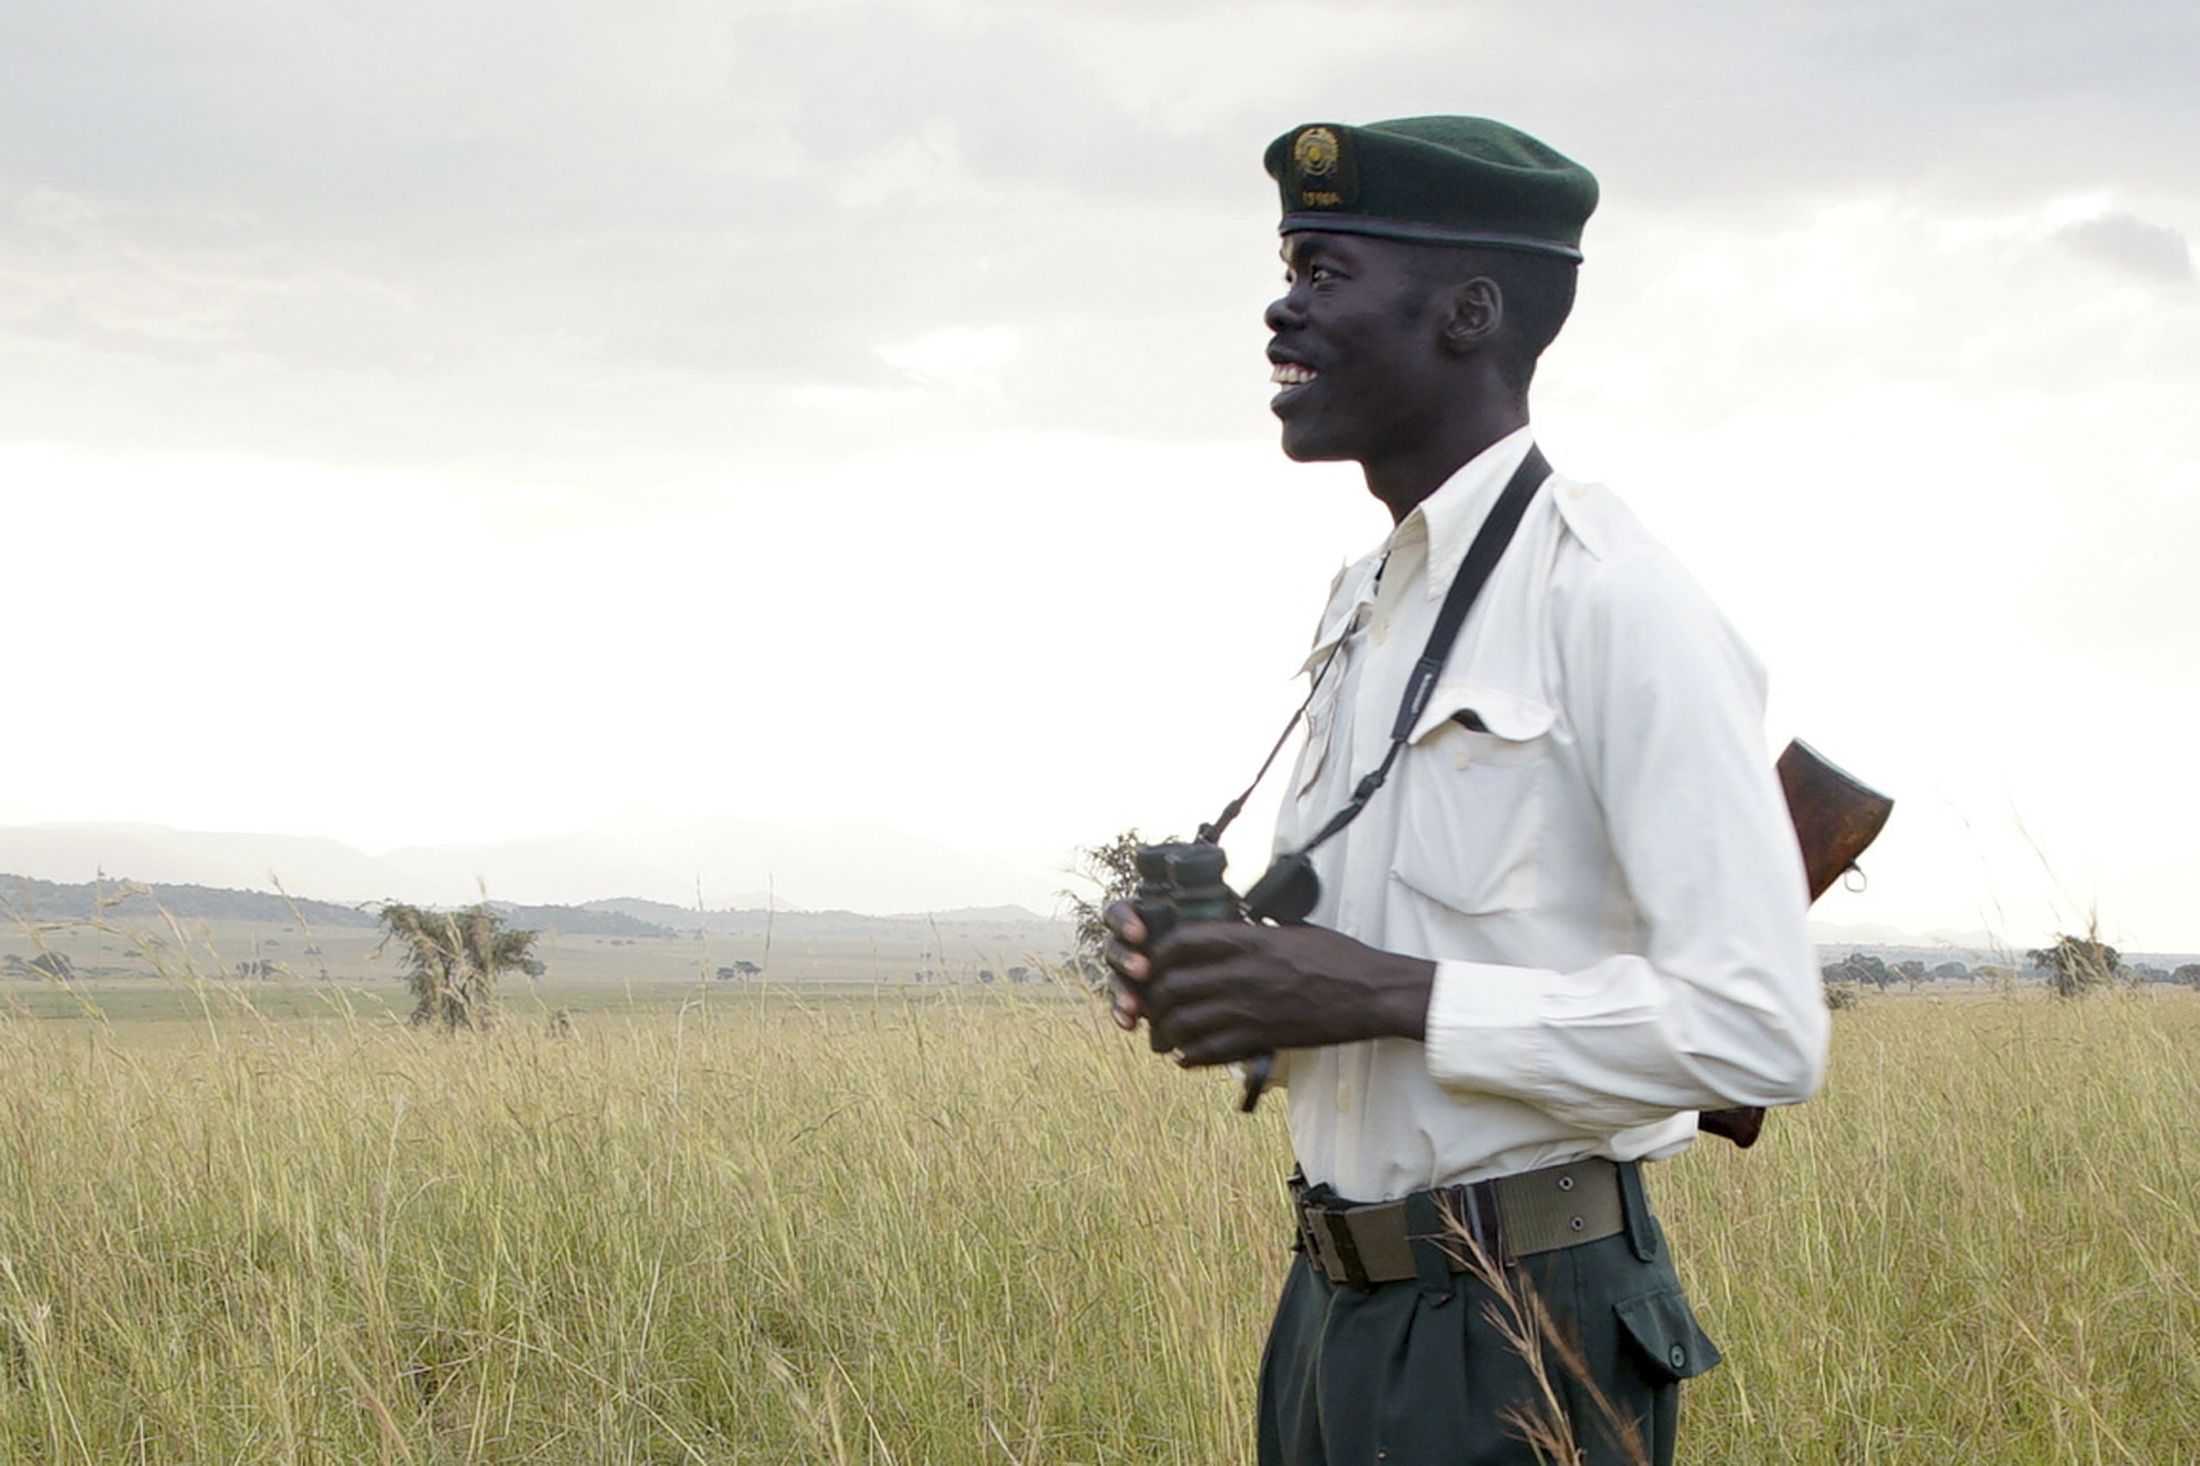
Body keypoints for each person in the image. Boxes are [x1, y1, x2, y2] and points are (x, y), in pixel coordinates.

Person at [1106, 116, 1828, 1466]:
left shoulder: (1612, 598)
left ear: (1467, 312)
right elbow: (1385, 952)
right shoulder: (1361, 605)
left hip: (1523, 1325)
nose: (1281, 306)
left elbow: (1760, 1030)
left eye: (1324, 273)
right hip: (1330, 1306)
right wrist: (1224, 981)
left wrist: (1370, 993)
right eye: (1286, 266)